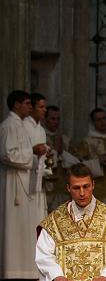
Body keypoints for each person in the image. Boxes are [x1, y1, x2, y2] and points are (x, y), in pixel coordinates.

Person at [0, 90, 39, 280]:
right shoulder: (8, 125)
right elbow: (7, 154)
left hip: (23, 178)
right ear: (16, 105)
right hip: (13, 180)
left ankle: (22, 270)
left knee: (23, 225)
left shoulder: (20, 125)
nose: (30, 107)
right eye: (27, 103)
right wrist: (32, 153)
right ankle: (11, 270)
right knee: (13, 226)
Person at [23, 92, 50, 225]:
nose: (44, 110)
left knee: (39, 216)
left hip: (39, 178)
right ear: (32, 108)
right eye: (41, 107)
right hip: (26, 177)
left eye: (45, 107)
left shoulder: (41, 129)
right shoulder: (23, 126)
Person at [44, 105, 75, 212]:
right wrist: (56, 151)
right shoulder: (41, 138)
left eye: (58, 119)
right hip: (47, 189)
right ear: (45, 119)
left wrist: (62, 153)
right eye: (52, 119)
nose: (56, 122)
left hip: (63, 189)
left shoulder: (66, 139)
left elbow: (75, 163)